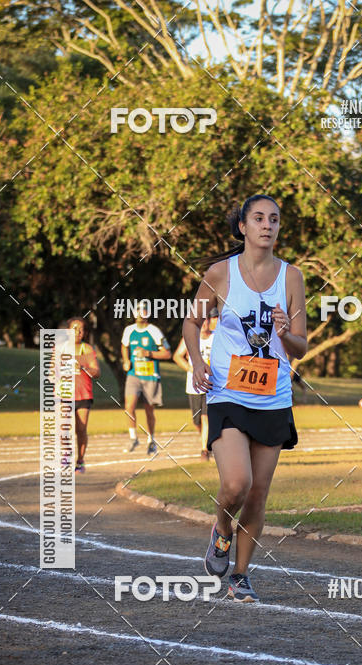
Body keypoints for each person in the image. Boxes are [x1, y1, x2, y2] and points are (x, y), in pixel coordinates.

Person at [183, 194, 307, 603]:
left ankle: (240, 575)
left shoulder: (292, 277)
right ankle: (221, 530)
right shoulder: (220, 273)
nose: (267, 225)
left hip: (272, 397)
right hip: (227, 392)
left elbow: (300, 346)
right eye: (258, 218)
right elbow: (192, 321)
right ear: (243, 227)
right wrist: (198, 362)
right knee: (237, 484)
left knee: (257, 494)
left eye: (274, 219)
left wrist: (287, 331)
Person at [121, 299, 172, 454]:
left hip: (150, 375)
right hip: (134, 374)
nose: (139, 313)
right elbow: (124, 345)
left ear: (148, 313)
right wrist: (126, 360)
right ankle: (133, 437)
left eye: (143, 310)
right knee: (129, 406)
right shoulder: (129, 330)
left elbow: (167, 353)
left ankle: (151, 440)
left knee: (149, 410)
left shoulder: (154, 331)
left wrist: (149, 353)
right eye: (137, 310)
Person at [173, 310, 217, 460]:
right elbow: (177, 356)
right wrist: (191, 369)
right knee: (196, 420)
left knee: (206, 417)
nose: (204, 323)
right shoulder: (190, 337)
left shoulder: (216, 338)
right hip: (194, 384)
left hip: (211, 384)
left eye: (206, 320)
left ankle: (204, 450)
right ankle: (206, 440)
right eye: (201, 321)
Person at [66, 317, 100, 473]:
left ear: (84, 332)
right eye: (74, 328)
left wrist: (83, 367)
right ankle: (65, 460)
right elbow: (51, 371)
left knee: (81, 429)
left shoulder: (86, 349)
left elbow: (96, 372)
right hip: (64, 395)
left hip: (83, 394)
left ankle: (80, 461)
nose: (78, 332)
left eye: (81, 329)